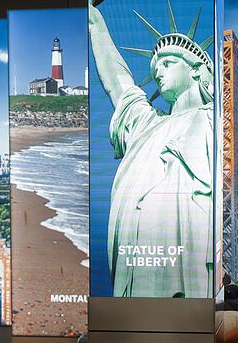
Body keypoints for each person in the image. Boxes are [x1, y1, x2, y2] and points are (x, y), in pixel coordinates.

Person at [89, 1, 214, 298]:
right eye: (155, 67)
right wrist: (92, 18)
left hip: (190, 245)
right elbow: (117, 81)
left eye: (168, 63)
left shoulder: (215, 119)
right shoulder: (147, 124)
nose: (158, 72)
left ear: (197, 70)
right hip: (139, 256)